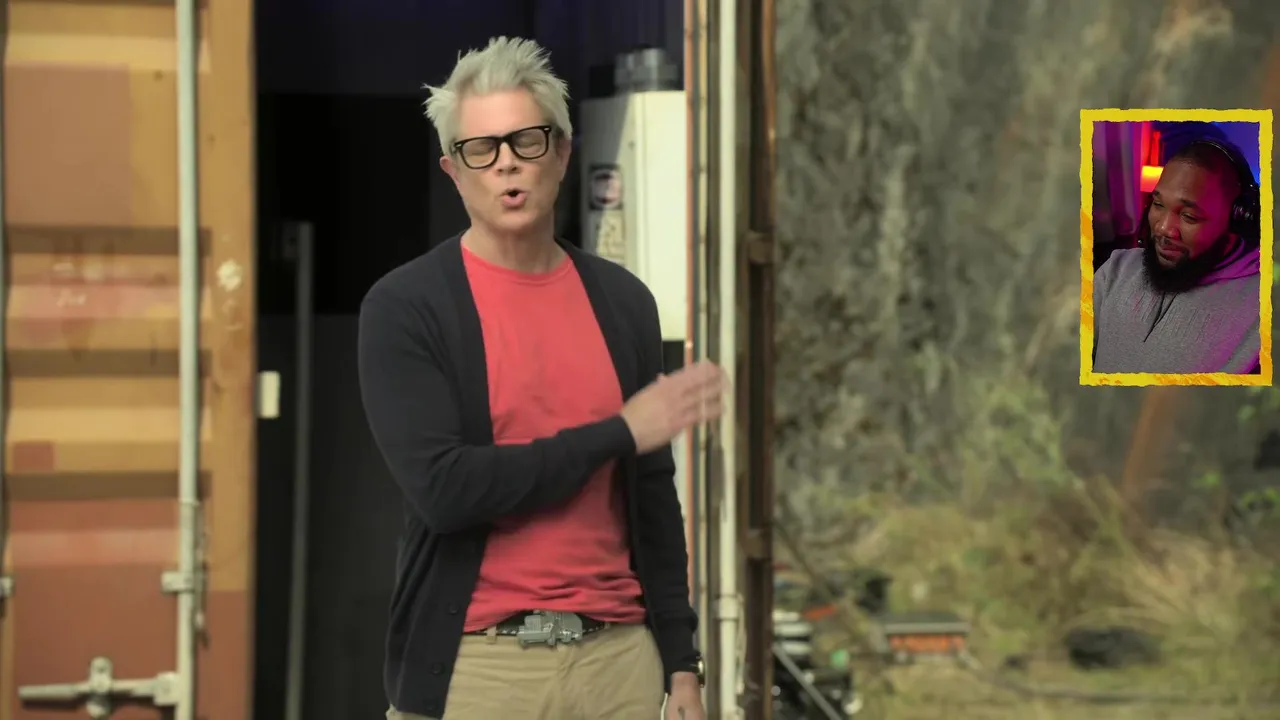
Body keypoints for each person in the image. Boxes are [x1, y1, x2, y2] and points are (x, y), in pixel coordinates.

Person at [357, 36, 721, 720]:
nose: (506, 164)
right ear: (453, 170)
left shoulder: (623, 303)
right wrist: (617, 433)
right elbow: (447, 491)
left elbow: (650, 500)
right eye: (481, 149)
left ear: (563, 152)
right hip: (478, 668)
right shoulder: (407, 307)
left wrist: (682, 664)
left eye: (527, 140)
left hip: (619, 665)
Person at [1092, 137, 1262, 374]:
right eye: (1158, 204)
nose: (1163, 228)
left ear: (1235, 219)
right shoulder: (1116, 269)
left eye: (1189, 216)